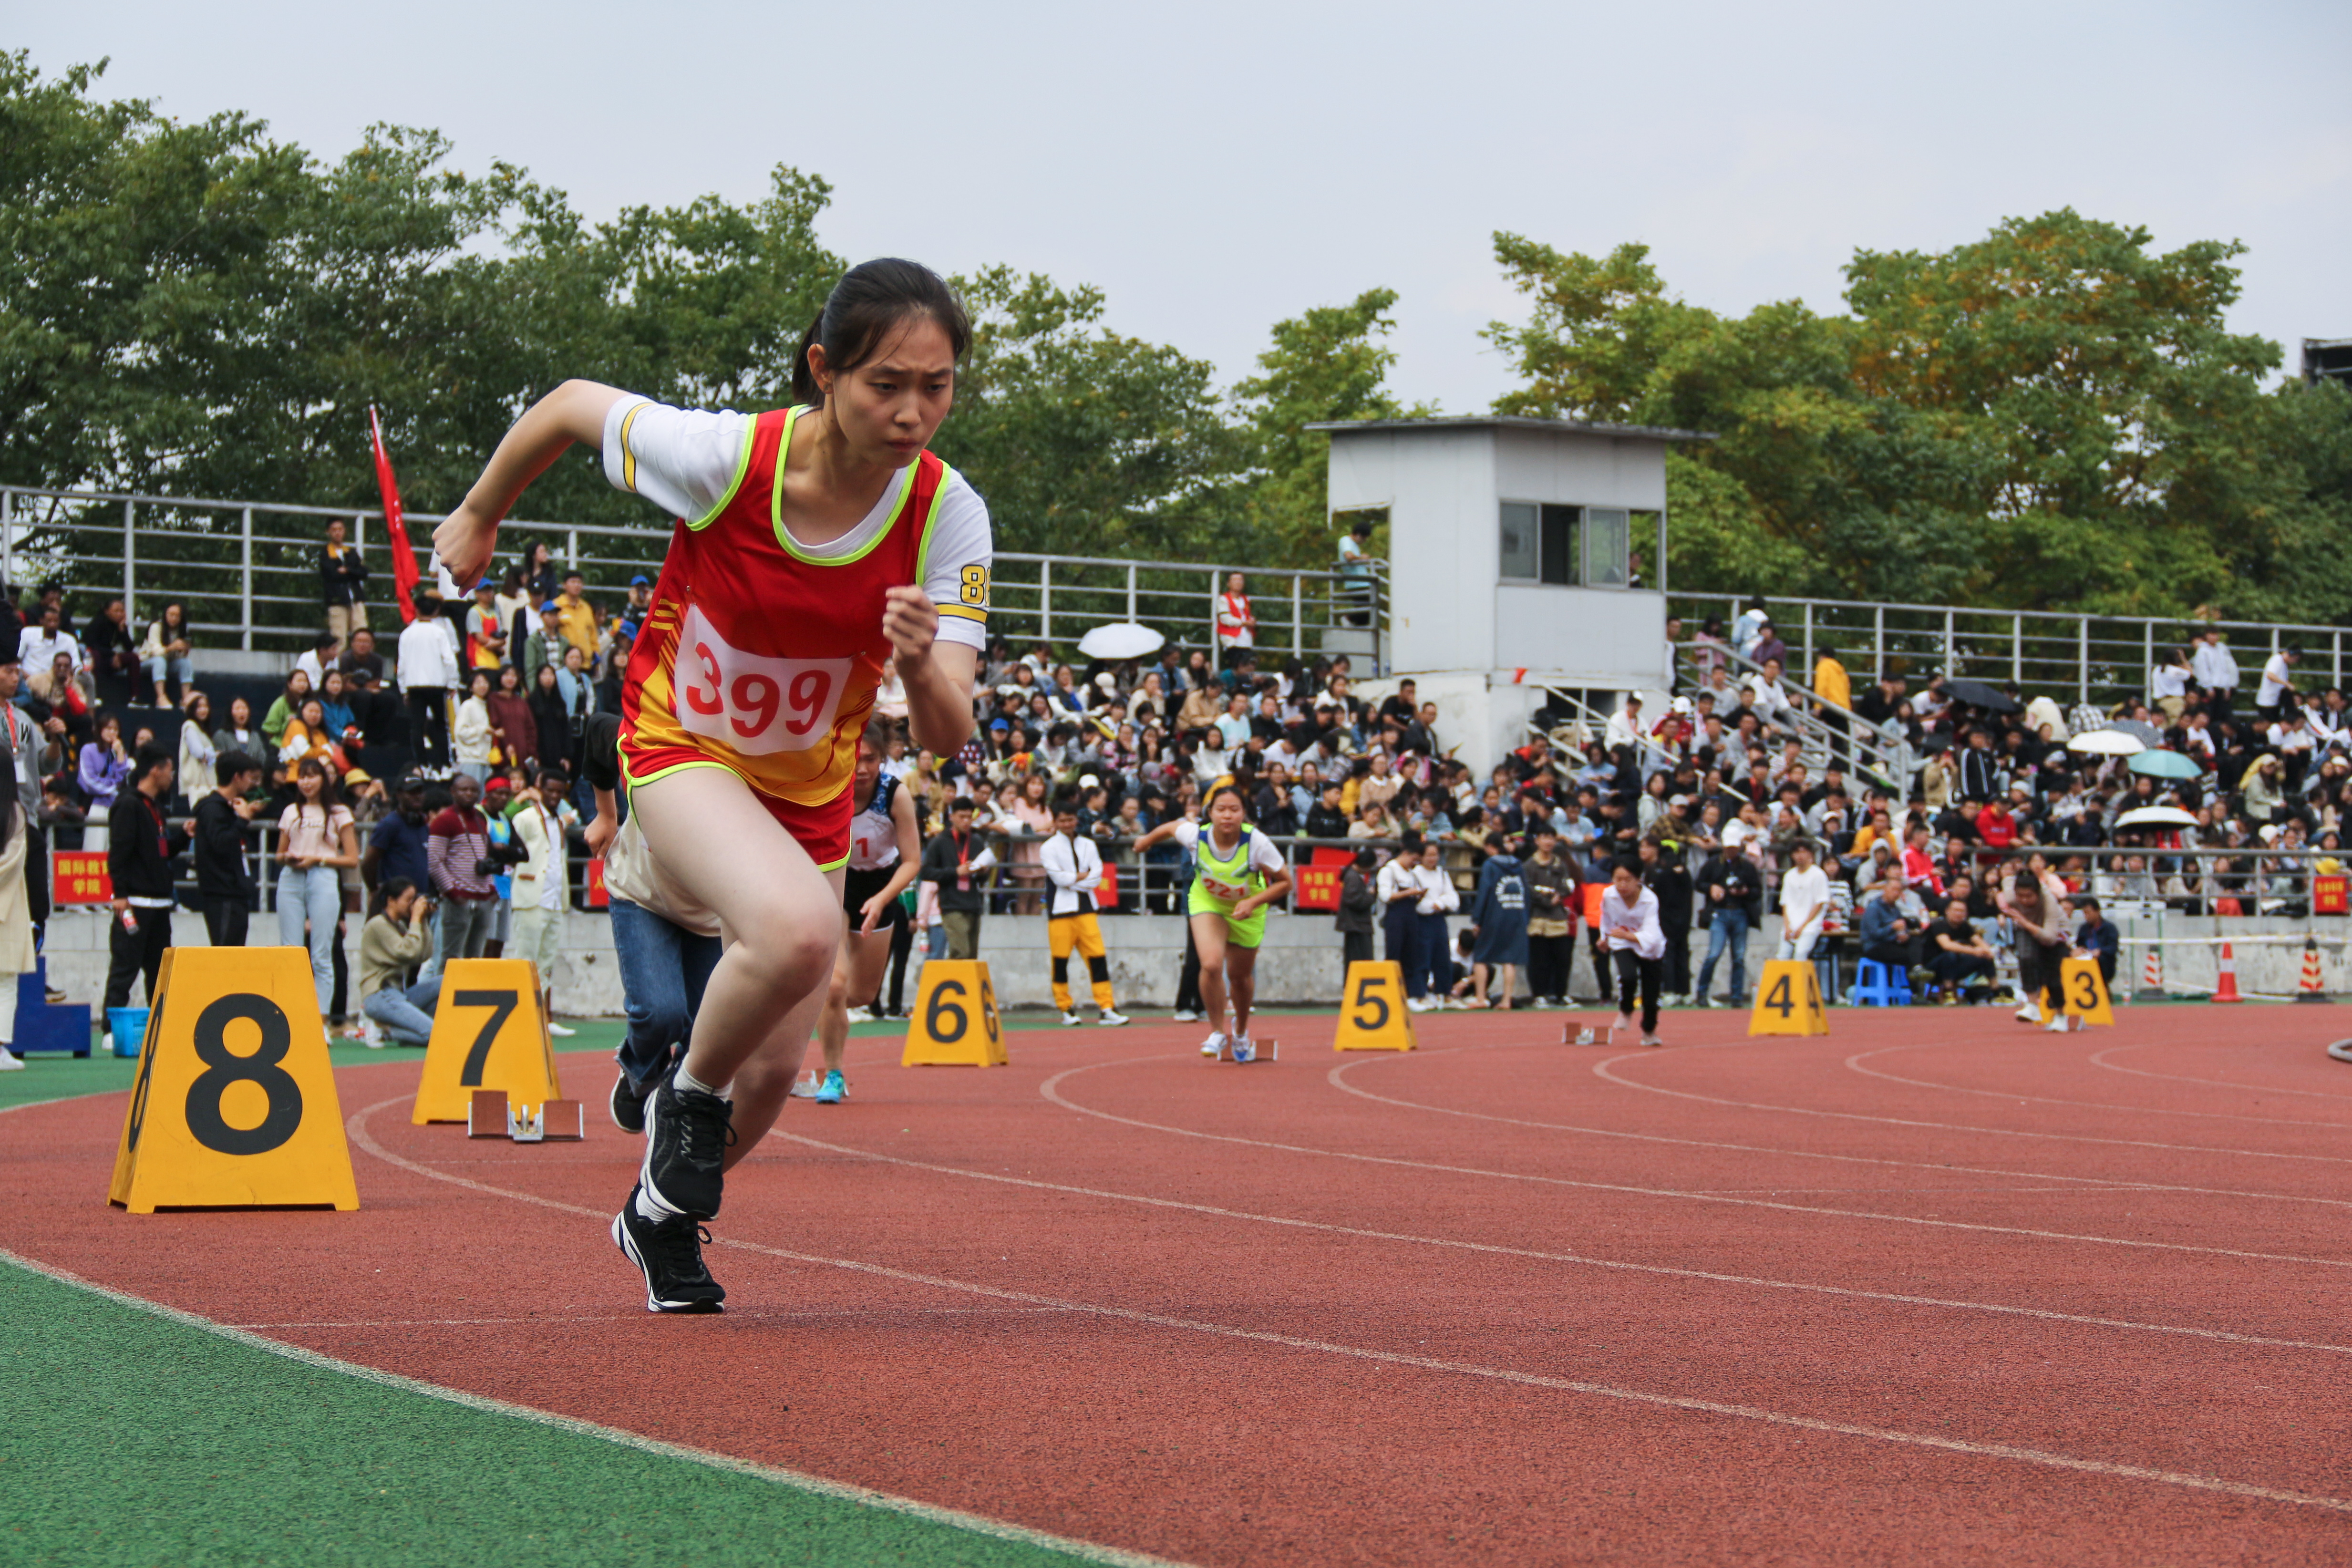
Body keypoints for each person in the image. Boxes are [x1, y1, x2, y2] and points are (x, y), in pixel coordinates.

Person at [432, 257, 990, 1313]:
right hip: (679, 742)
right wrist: (481, 510)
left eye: (940, 385)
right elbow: (565, 408)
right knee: (795, 935)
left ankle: (658, 1213)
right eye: (888, 385)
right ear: (825, 370)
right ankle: (680, 1097)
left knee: (773, 1078)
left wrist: (919, 661)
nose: (915, 413)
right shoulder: (729, 457)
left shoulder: (950, 518)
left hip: (809, 788)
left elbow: (948, 730)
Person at [796, 726, 924, 1103]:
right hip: (835, 882)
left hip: (880, 886)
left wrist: (883, 899)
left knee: (861, 994)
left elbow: (913, 861)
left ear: (883, 758)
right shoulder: (827, 787)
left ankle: (815, 1011)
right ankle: (833, 1074)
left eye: (871, 759)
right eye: (856, 758)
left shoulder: (895, 795)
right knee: (834, 986)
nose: (863, 768)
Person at [1131, 784, 1292, 1060]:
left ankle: (1240, 1032)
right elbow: (1171, 827)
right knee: (1211, 963)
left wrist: (1253, 902)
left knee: (1240, 978)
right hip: (1209, 903)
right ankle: (1217, 1032)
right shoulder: (1197, 835)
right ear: (1210, 813)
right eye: (1221, 810)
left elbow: (1287, 883)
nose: (1227, 816)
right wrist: (1146, 841)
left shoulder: (1257, 843)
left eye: (1234, 810)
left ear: (1244, 814)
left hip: (1247, 911)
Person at [275, 757, 358, 1021]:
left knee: (321, 953)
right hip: (292, 875)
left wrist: (318, 859)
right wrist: (289, 857)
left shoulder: (339, 812)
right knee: (291, 951)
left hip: (323, 875)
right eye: (302, 777)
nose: (307, 782)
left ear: (324, 779)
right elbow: (279, 854)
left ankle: (319, 1020)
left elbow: (352, 858)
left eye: (312, 776)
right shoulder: (291, 811)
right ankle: (290, 1017)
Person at [104, 746, 186, 1012]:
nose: (172, 776)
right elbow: (119, 853)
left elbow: (161, 852)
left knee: (159, 970)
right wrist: (120, 895)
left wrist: (186, 836)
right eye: (169, 770)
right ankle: (110, 1028)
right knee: (125, 966)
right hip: (135, 903)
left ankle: (160, 1026)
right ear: (156, 770)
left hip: (160, 904)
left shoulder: (155, 808)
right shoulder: (128, 805)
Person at [1041, 798, 1129, 1028]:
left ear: (1076, 820)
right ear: (1056, 822)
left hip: (1087, 908)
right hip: (1060, 910)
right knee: (1060, 961)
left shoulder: (1088, 844)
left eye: (1071, 820)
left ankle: (1107, 1006)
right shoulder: (1048, 847)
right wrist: (1080, 877)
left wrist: (1075, 880)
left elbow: (1096, 876)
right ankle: (1065, 1008)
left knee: (1098, 958)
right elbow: (1058, 878)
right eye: (1063, 821)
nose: (1068, 824)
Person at [507, 768, 573, 1037]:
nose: (555, 796)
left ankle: (542, 1018)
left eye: (559, 792)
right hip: (531, 896)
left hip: (554, 899)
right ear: (539, 789)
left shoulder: (559, 822)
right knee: (526, 959)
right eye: (550, 791)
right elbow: (512, 848)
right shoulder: (525, 818)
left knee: (546, 962)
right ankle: (521, 1017)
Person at [426, 772, 500, 966]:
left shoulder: (480, 819)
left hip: (483, 897)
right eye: (464, 790)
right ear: (453, 792)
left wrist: (492, 891)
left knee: (475, 959)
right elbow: (434, 861)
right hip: (459, 898)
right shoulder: (445, 821)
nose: (469, 794)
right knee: (451, 958)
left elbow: (484, 856)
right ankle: (444, 995)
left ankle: (471, 996)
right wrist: (453, 892)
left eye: (474, 790)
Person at [192, 751, 264, 946]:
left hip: (235, 893)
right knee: (224, 954)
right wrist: (242, 821)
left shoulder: (228, 808)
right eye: (249, 776)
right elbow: (222, 844)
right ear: (237, 777)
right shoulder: (213, 809)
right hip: (222, 895)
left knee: (236, 955)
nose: (252, 783)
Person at [358, 878, 440, 1046]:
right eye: (408, 900)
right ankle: (388, 1031)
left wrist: (423, 920)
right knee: (437, 1036)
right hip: (380, 996)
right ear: (391, 901)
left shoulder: (400, 927)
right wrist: (416, 919)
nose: (412, 905)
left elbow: (423, 955)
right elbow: (407, 952)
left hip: (398, 995)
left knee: (445, 981)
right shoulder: (377, 925)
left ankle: (401, 1027)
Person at [1999, 861, 2073, 1032]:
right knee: (2025, 957)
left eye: (2029, 896)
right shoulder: (2011, 895)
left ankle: (2061, 1015)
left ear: (2038, 893)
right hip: (2027, 929)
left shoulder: (2049, 902)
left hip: (2054, 935)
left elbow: (2049, 937)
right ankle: (2032, 1005)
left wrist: (2024, 922)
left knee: (2052, 978)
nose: (2024, 901)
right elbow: (2007, 879)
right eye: (2021, 896)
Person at [918, 795, 994, 959]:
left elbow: (982, 878)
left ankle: (963, 984)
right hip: (951, 903)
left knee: (972, 955)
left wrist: (982, 872)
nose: (966, 822)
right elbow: (926, 872)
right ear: (951, 817)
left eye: (969, 817)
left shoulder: (976, 841)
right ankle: (953, 983)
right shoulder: (939, 842)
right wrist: (955, 872)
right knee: (961, 952)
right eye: (962, 817)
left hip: (973, 903)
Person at [1601, 857, 1666, 1047]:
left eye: (1627, 880)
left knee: (1651, 994)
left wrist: (1626, 935)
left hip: (1649, 947)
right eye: (1617, 879)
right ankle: (1626, 1009)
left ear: (1639, 879)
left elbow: (1652, 936)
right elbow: (1605, 918)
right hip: (1622, 943)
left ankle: (1649, 1031)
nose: (1622, 885)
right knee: (1628, 977)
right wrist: (1604, 938)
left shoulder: (1650, 900)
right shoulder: (1608, 895)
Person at [1694, 836, 1761, 1006]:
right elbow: (1699, 883)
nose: (1731, 851)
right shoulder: (1713, 864)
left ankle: (1736, 996)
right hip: (1720, 912)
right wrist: (1711, 888)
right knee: (1714, 954)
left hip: (1740, 913)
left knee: (1739, 956)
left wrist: (1745, 892)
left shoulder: (1747, 867)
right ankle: (1702, 993)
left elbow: (1757, 890)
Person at [1466, 836, 1529, 1010]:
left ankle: (1480, 998)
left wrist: (1478, 919)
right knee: (1509, 960)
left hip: (1494, 915)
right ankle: (1507, 1000)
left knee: (1481, 956)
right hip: (1516, 915)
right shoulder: (1519, 865)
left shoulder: (1490, 865)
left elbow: (1485, 891)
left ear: (1490, 847)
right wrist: (1525, 917)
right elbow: (1526, 892)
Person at [398, 590, 457, 770]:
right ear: (435, 612)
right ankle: (444, 763)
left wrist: (403, 689)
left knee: (417, 725)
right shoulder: (439, 632)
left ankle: (422, 764)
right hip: (437, 684)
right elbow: (450, 659)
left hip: (414, 685)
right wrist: (452, 683)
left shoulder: (407, 633)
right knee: (440, 724)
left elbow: (402, 664)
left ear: (416, 610)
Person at [0, 746, 31, 1070]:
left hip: (7, 909)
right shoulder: (15, 813)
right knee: (5, 982)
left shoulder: (15, 813)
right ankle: (0, 1049)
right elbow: (12, 861)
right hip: (6, 910)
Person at [1522, 825, 1574, 1006]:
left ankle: (1561, 994)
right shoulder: (1529, 865)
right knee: (1539, 960)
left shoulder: (1560, 863)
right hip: (1537, 918)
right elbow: (1527, 889)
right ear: (1537, 841)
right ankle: (1539, 995)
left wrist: (1559, 895)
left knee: (1562, 959)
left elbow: (1569, 885)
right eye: (1544, 837)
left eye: (1551, 838)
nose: (1548, 842)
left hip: (1558, 918)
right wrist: (1545, 901)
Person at [1377, 836, 1429, 1009]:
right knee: (1394, 955)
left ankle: (1410, 996)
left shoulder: (1412, 874)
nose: (1415, 864)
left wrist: (1418, 895)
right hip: (1395, 918)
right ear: (1406, 853)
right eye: (1414, 860)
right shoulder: (1389, 871)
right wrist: (1408, 893)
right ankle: (1391, 996)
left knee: (1412, 956)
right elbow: (1385, 896)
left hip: (1411, 917)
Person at [1922, 896, 1997, 1004]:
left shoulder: (1965, 927)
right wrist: (1974, 951)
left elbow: (1980, 942)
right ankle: (1949, 992)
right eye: (1956, 911)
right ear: (1947, 912)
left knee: (1985, 956)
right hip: (1933, 967)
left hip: (1956, 967)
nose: (1959, 914)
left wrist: (1988, 952)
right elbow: (1946, 945)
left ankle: (1996, 991)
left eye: (1962, 911)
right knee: (1950, 955)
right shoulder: (1939, 925)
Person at [78, 712, 131, 853]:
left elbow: (122, 780)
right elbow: (89, 781)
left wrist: (120, 753)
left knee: (113, 851)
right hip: (97, 806)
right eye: (108, 729)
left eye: (115, 729)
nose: (112, 733)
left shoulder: (117, 752)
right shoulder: (88, 750)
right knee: (95, 849)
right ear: (100, 729)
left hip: (116, 808)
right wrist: (112, 789)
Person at [1774, 839, 1830, 962]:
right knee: (1781, 957)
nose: (1800, 856)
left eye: (1804, 852)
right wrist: (1787, 926)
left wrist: (1803, 926)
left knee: (1800, 954)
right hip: (1791, 925)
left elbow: (1820, 903)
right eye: (1796, 853)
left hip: (1810, 926)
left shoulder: (1818, 874)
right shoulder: (1789, 876)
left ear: (1810, 854)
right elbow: (1785, 903)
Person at [320, 517, 369, 647]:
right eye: (334, 530)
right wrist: (353, 572)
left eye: (340, 529)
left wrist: (347, 570)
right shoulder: (325, 553)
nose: (338, 533)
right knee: (339, 637)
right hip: (337, 600)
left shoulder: (350, 552)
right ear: (328, 532)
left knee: (361, 633)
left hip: (356, 598)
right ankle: (337, 665)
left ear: (345, 531)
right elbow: (331, 574)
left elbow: (364, 572)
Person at [139, 600, 195, 707]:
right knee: (160, 661)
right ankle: (161, 698)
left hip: (168, 663)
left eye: (177, 616)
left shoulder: (183, 630)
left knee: (186, 663)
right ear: (165, 614)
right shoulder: (156, 627)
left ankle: (186, 700)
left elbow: (179, 658)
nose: (174, 619)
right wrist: (171, 647)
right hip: (147, 662)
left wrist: (184, 650)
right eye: (171, 615)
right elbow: (156, 652)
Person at [1336, 846, 1378, 973]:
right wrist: (1370, 896)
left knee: (1356, 959)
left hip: (1356, 925)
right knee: (1360, 959)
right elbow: (1352, 900)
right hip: (1356, 925)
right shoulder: (1353, 877)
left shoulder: (1352, 875)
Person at [2074, 894, 2119, 989]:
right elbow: (2079, 944)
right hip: (2085, 959)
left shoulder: (2110, 928)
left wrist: (2100, 951)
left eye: (2088, 913)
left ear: (2097, 911)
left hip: (2104, 962)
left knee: (2101, 961)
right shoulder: (2084, 929)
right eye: (2084, 913)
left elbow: (2112, 948)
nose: (2086, 916)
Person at [1215, 572, 1255, 664]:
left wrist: (1252, 621)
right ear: (1228, 584)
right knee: (1236, 665)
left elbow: (1247, 615)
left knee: (1248, 664)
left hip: (1246, 638)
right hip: (1232, 639)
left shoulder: (1246, 599)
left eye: (1241, 580)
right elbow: (1225, 619)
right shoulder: (1223, 599)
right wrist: (1244, 623)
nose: (1238, 583)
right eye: (1235, 580)